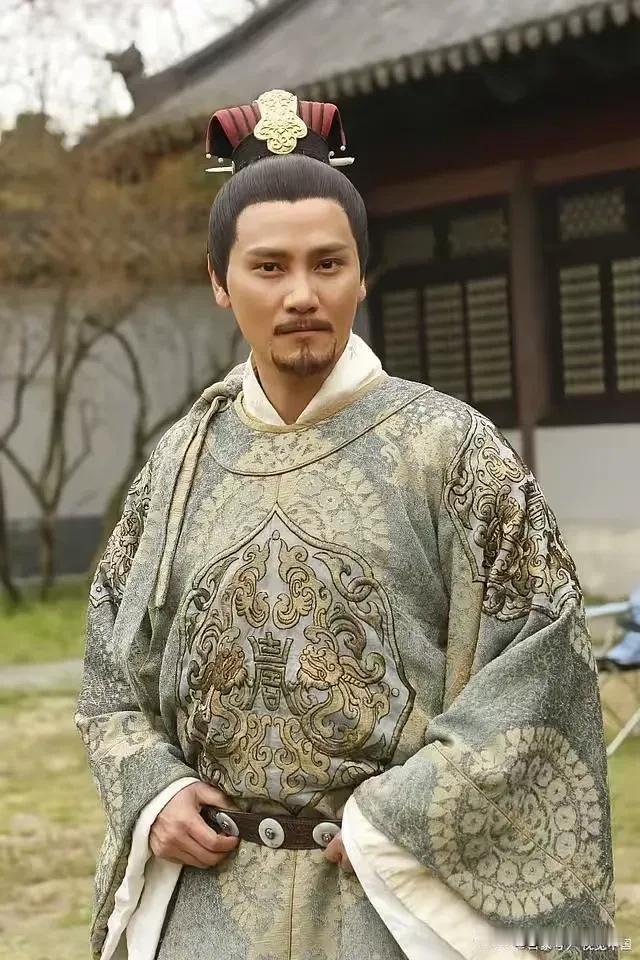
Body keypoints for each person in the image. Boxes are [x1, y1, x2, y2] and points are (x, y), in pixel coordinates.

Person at [76, 89, 619, 960]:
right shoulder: (176, 465)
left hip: (387, 899)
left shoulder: (450, 449)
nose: (302, 294)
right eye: (268, 267)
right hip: (208, 907)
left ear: (363, 275)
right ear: (218, 281)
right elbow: (111, 659)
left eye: (328, 264)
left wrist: (393, 816)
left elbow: (543, 657)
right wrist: (152, 790)